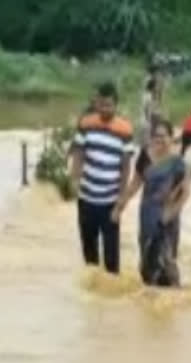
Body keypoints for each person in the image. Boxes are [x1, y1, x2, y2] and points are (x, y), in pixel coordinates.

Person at [113, 118, 191, 287]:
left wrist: (170, 213)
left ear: (171, 137)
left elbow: (185, 193)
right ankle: (149, 299)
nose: (160, 139)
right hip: (147, 215)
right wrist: (120, 206)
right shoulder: (145, 157)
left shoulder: (177, 163)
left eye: (164, 136)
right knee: (147, 261)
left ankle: (172, 298)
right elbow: (135, 184)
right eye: (156, 136)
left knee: (167, 260)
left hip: (167, 218)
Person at [69, 82, 134, 274]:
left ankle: (110, 299)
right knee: (89, 256)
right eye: (102, 104)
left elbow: (126, 166)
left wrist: (121, 201)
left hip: (110, 202)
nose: (106, 109)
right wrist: (74, 179)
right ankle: (92, 298)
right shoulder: (86, 124)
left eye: (110, 105)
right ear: (97, 104)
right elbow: (79, 154)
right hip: (86, 198)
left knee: (112, 260)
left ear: (116, 105)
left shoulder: (125, 130)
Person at [135, 78, 158, 174]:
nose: (157, 88)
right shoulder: (149, 97)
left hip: (141, 121)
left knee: (144, 146)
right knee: (146, 145)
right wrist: (151, 122)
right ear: (153, 87)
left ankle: (141, 165)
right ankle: (145, 165)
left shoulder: (145, 95)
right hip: (146, 122)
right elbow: (148, 111)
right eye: (156, 86)